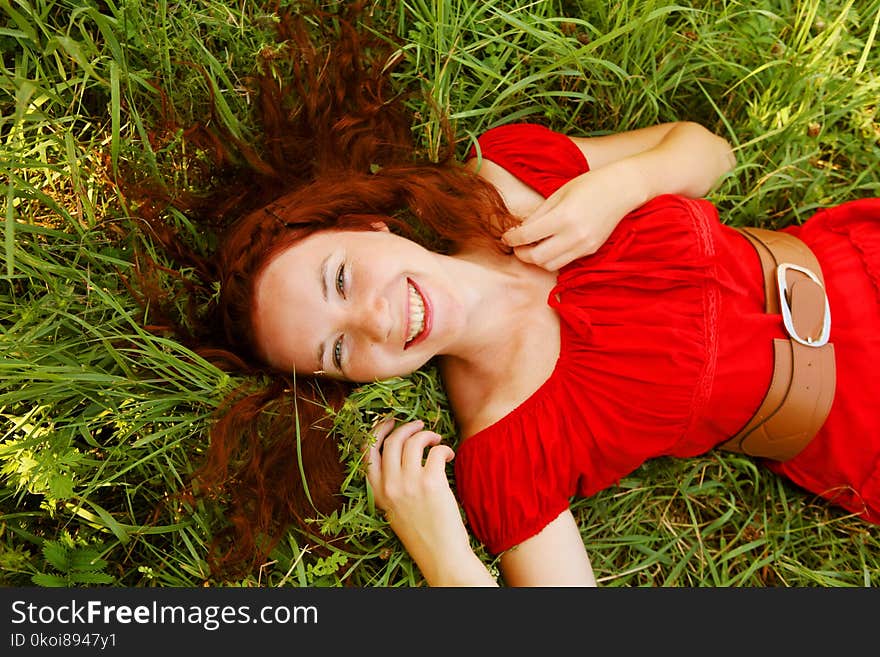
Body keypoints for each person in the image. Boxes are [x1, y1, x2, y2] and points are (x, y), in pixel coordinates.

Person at [131, 8, 880, 586]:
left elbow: (708, 150)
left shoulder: (505, 173)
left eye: (341, 278)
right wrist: (443, 553)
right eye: (337, 350)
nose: (378, 319)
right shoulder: (507, 452)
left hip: (858, 254)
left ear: (366, 222)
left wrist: (619, 187)